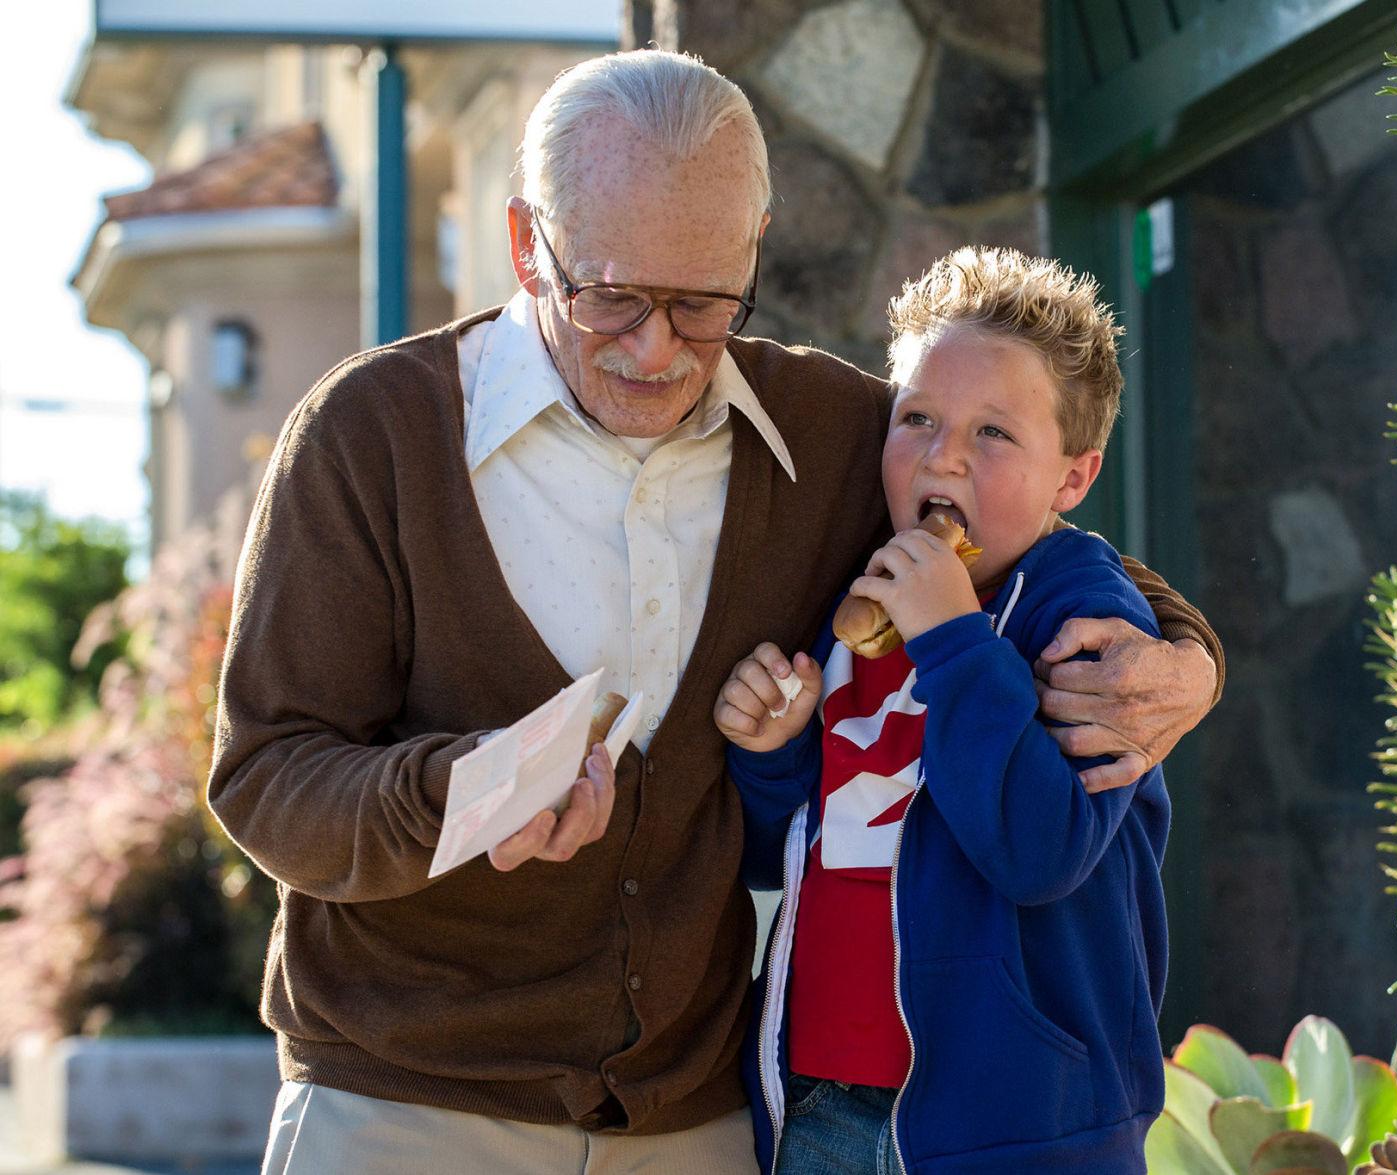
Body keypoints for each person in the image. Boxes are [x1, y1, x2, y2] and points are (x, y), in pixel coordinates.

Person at [208, 50, 1222, 1175]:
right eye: (609, 297)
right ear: (521, 245)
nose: (655, 349)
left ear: (753, 248)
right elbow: (263, 775)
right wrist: (451, 797)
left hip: (696, 1118)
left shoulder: (839, 433)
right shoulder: (368, 435)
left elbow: (1022, 530)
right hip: (406, 1100)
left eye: (701, 303)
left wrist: (1188, 659)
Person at [715, 246, 1170, 1173]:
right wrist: (773, 754)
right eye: (916, 417)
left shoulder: (1087, 619)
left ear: (1072, 480)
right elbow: (785, 856)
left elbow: (1040, 851)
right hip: (816, 1105)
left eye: (994, 434)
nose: (943, 453)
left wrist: (958, 644)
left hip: (1012, 1129)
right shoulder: (853, 602)